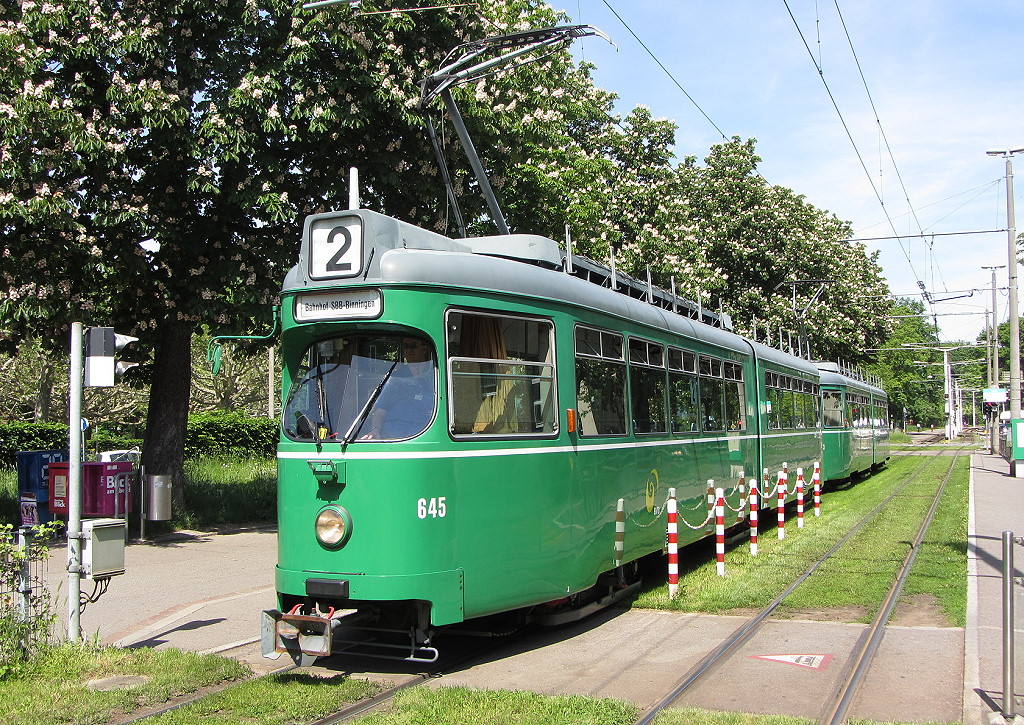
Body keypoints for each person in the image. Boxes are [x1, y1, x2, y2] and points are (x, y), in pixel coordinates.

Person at [360, 337, 435, 439]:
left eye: (414, 345)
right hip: (393, 437)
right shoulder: (395, 377)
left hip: (425, 436)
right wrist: (375, 430)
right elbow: (381, 411)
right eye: (405, 346)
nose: (409, 350)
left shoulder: (435, 375)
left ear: (424, 349)